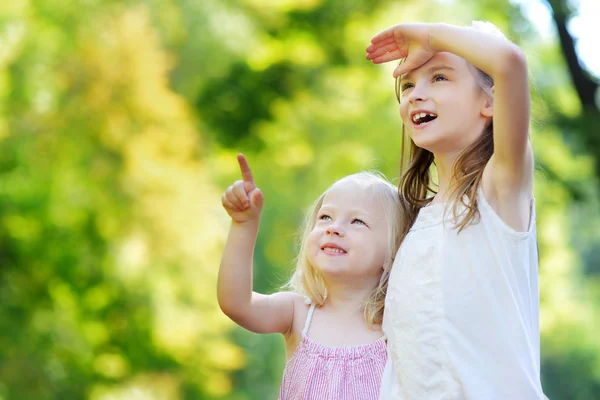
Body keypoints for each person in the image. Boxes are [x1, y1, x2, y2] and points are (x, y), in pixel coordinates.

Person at [365, 22, 546, 399]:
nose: (416, 95)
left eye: (440, 77)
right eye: (409, 85)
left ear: (490, 102)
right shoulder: (413, 222)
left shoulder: (500, 189)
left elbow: (510, 62)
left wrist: (431, 36)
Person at [218, 154, 405, 399]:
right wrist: (244, 224)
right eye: (325, 217)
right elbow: (236, 304)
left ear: (392, 254)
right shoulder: (297, 314)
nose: (333, 227)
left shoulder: (397, 330)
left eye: (357, 221)